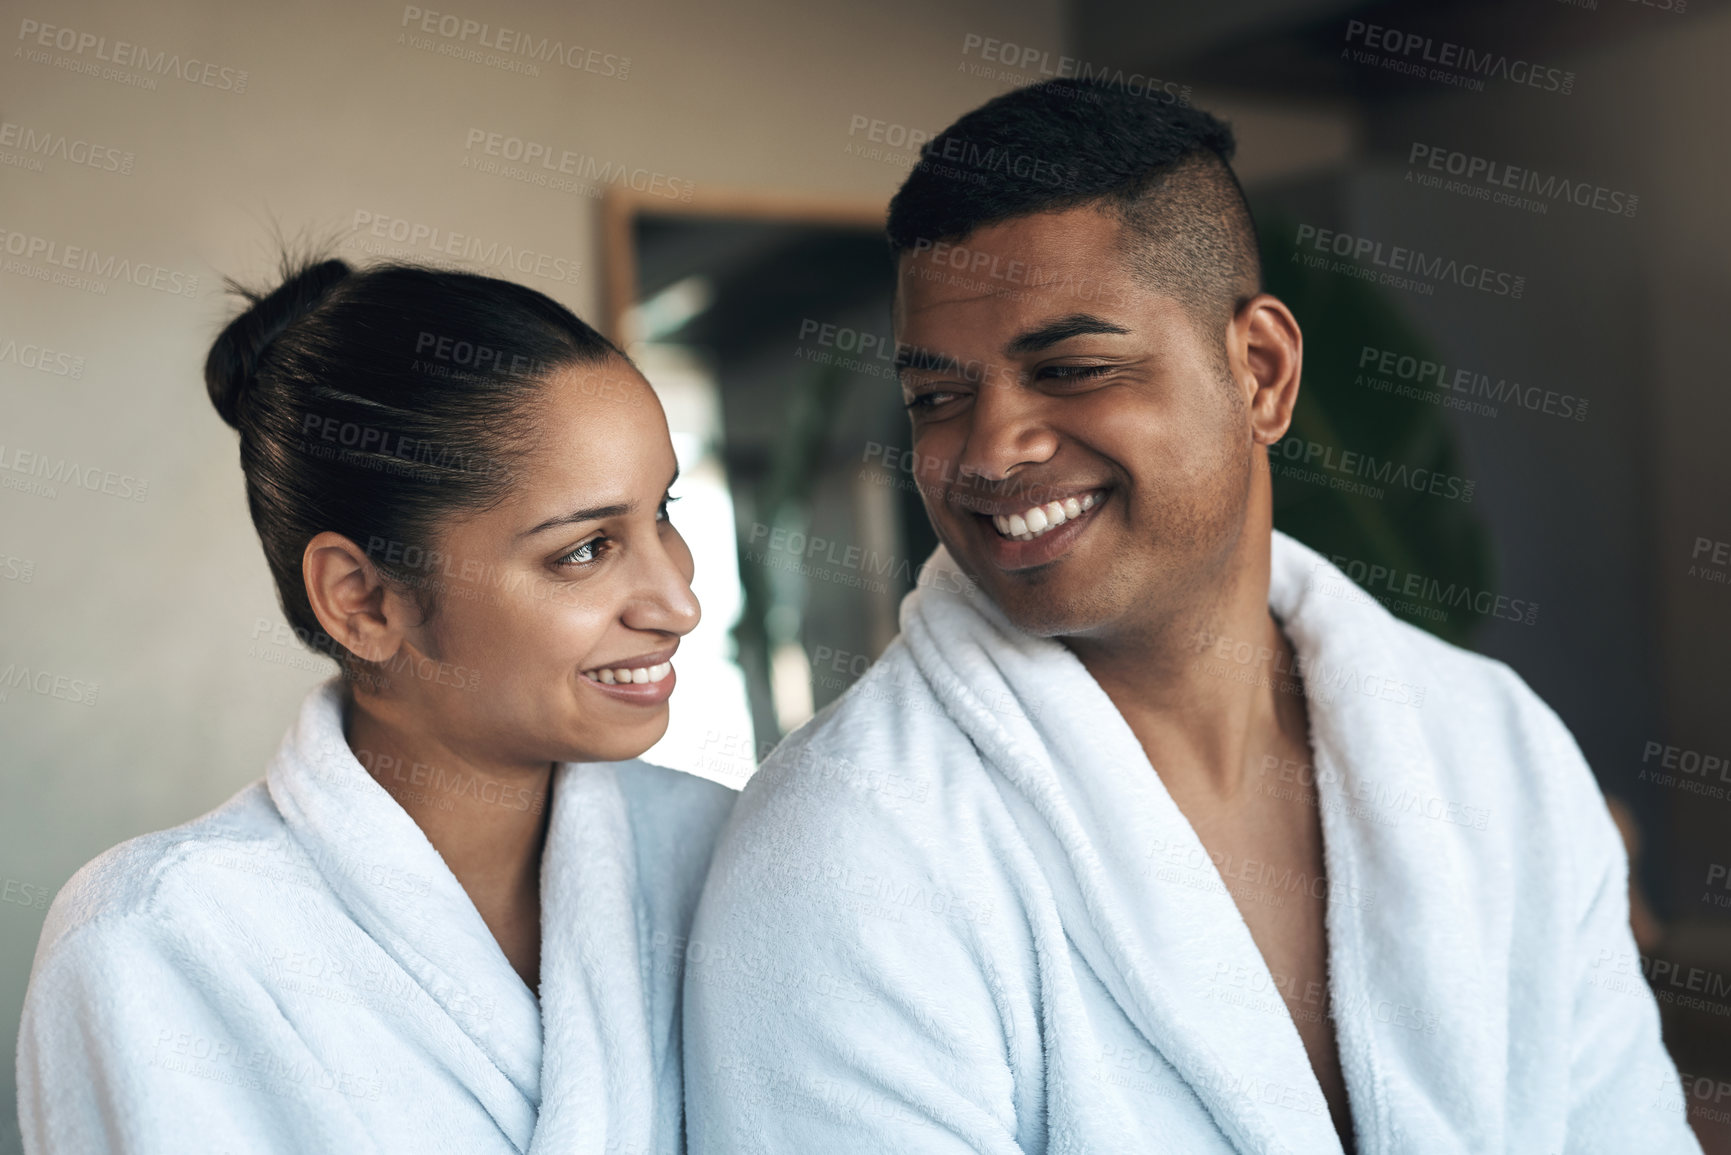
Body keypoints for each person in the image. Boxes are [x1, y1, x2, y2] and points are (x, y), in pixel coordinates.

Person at [682, 80, 1699, 1154]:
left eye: (1070, 370)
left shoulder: (1503, 756)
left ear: (1260, 371)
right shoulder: (845, 854)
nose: (987, 453)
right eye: (938, 397)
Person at [16, 258, 733, 1154]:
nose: (677, 603)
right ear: (362, 599)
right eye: (585, 550)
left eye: (663, 512)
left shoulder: (732, 856)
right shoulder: (153, 940)